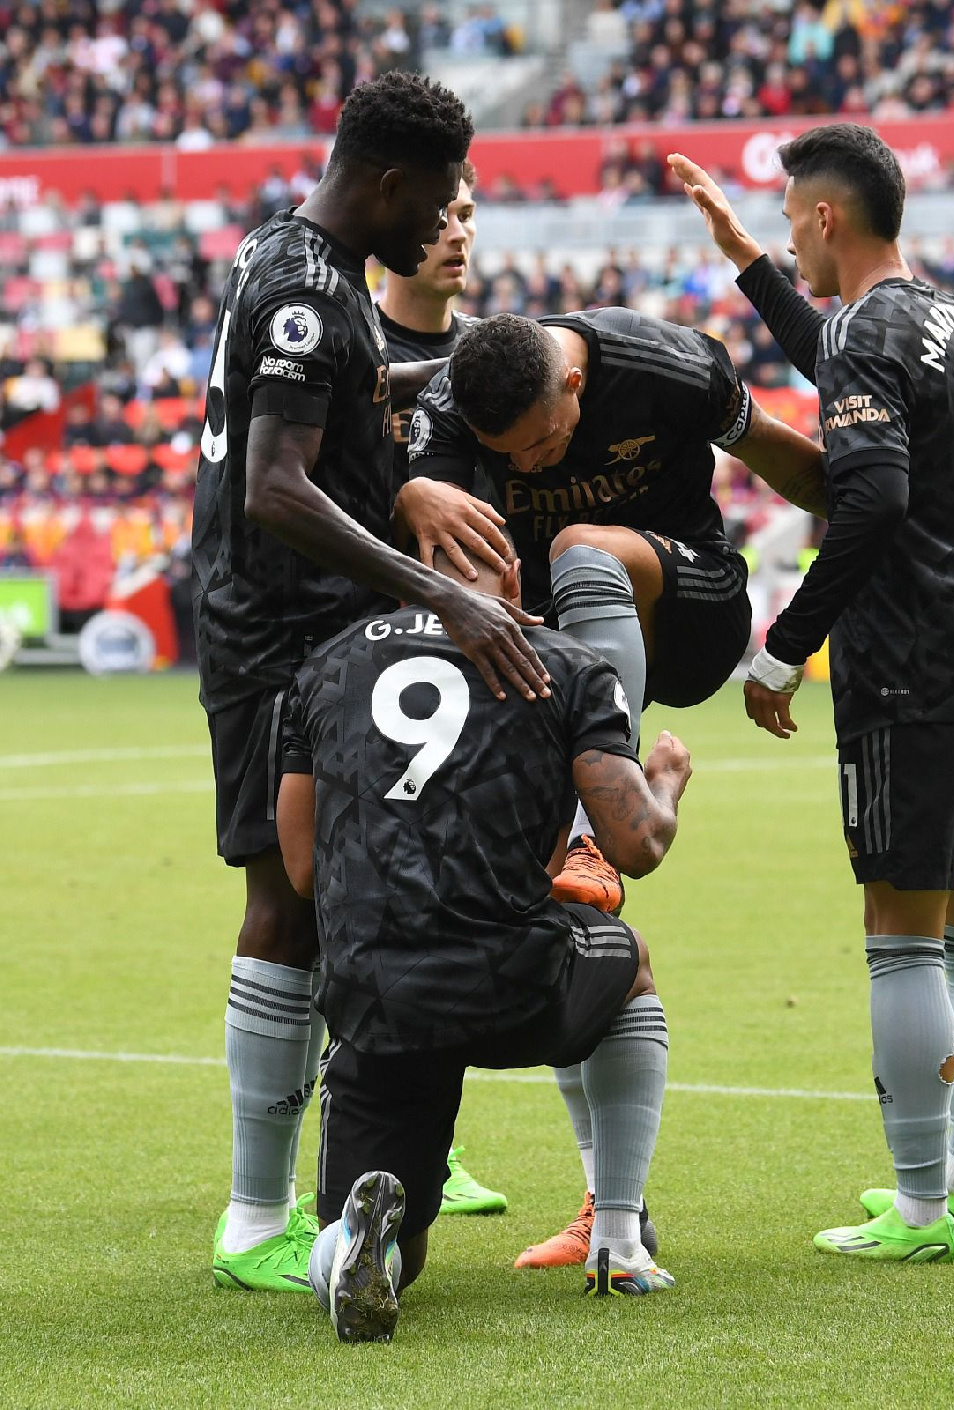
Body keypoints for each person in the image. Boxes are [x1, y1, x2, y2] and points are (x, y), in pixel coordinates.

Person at [193, 70, 550, 1295]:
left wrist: (463, 382)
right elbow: (276, 486)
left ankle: (351, 1180)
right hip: (274, 638)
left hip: (312, 638)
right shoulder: (302, 287)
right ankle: (254, 1218)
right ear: (389, 180)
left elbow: (338, 396)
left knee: (343, 900)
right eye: (439, 196)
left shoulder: (298, 264)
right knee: (287, 901)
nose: (443, 219)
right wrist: (440, 588)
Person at [669, 127, 954, 1263]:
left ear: (829, 217)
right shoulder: (947, 317)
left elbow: (870, 502)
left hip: (914, 666)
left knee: (903, 938)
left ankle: (921, 1208)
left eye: (789, 217)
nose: (786, 229)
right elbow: (830, 347)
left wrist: (786, 644)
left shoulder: (872, 334)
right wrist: (746, 258)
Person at [398, 304, 826, 1266]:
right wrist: (413, 493)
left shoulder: (669, 366)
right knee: (562, 925)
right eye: (517, 457)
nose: (535, 467)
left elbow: (791, 464)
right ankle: (610, 1213)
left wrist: (865, 551)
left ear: (576, 387)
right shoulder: (455, 410)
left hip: (688, 600)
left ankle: (604, 814)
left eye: (547, 441)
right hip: (554, 648)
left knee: (579, 542)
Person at [275, 541, 690, 1340]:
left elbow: (300, 867)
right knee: (627, 959)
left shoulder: (324, 668)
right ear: (513, 577)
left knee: (406, 1249)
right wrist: (666, 774)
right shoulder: (566, 663)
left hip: (375, 995)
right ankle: (619, 1239)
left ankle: (358, 1252)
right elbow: (636, 844)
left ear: (408, 571)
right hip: (511, 977)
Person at [376, 155, 505, 1218]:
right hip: (365, 660)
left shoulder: (486, 359)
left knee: (451, 896)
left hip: (468, 664)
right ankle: (368, 1127)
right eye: (442, 215)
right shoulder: (349, 349)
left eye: (469, 215)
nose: (458, 231)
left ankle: (437, 1145)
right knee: (362, 896)